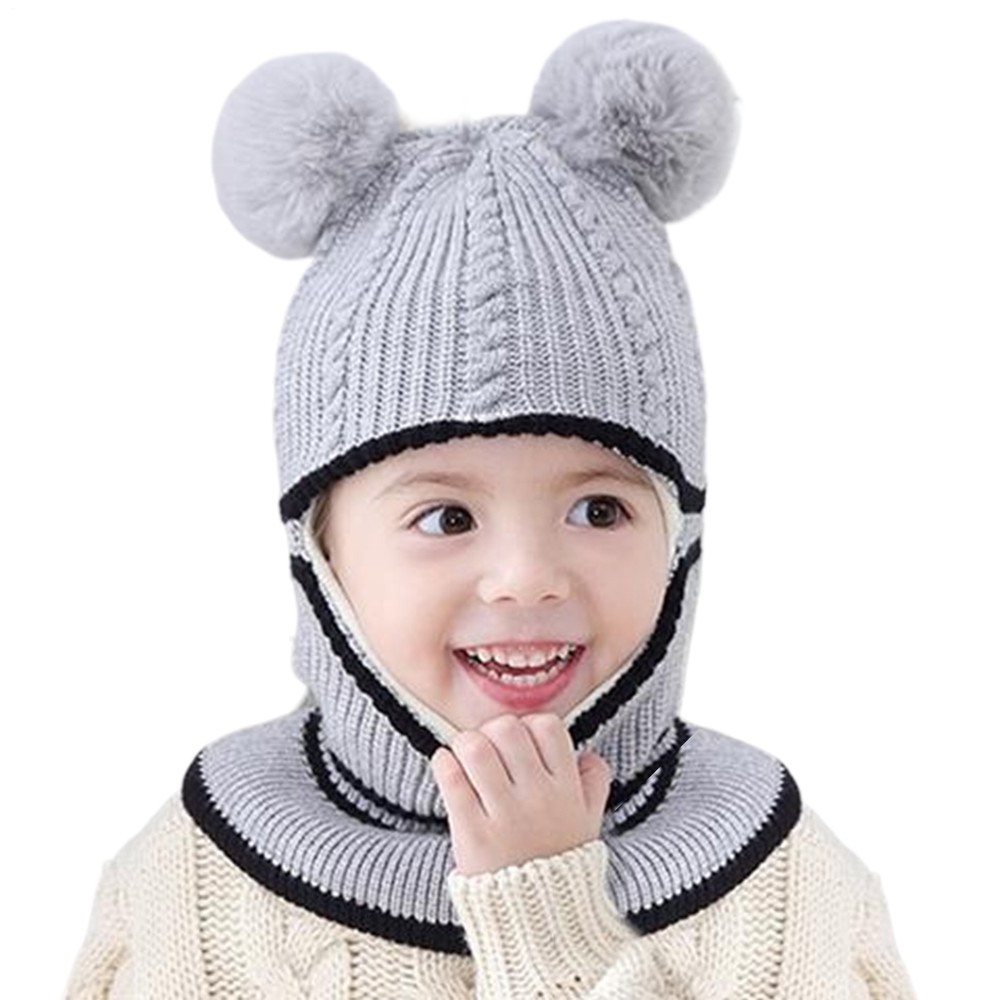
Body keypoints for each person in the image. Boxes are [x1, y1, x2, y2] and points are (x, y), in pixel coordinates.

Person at [65, 19, 916, 999]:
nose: (525, 578)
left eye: (600, 510)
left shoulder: (784, 881)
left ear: (679, 533)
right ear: (320, 551)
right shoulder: (193, 879)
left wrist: (548, 925)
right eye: (446, 519)